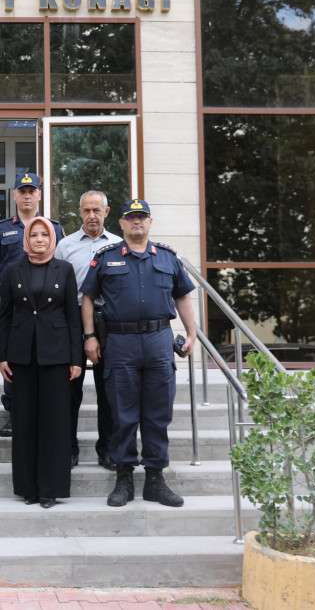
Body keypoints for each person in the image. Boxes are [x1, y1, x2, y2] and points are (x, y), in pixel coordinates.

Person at [80, 199, 197, 508]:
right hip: (120, 342)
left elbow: (183, 296)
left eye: (142, 217)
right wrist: (90, 336)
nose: (137, 222)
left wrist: (192, 333)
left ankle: (155, 480)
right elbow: (88, 297)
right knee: (123, 414)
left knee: (158, 413)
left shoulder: (168, 258)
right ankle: (124, 478)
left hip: (159, 340)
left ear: (150, 222)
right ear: (121, 223)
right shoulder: (106, 258)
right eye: (131, 217)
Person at [0, 217, 83, 509]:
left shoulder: (65, 269)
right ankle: (27, 488)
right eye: (33, 235)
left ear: (52, 239)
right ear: (26, 239)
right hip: (21, 356)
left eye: (44, 235)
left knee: (54, 424)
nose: (39, 240)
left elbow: (73, 316)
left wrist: (76, 358)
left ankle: (51, 489)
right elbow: (5, 316)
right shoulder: (12, 270)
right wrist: (3, 355)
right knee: (24, 422)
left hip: (56, 356)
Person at [0, 173, 64, 438]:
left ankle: (43, 411)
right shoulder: (0, 230)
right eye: (22, 191)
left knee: (44, 357)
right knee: (12, 359)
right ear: (14, 195)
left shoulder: (54, 228)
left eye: (32, 191)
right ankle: (14, 412)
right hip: (12, 307)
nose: (27, 195)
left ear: (39, 194)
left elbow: (62, 267)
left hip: (47, 307)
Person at [54, 191, 122, 469]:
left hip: (109, 322)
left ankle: (107, 448)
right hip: (71, 320)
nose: (92, 215)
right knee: (70, 390)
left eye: (97, 210)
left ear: (107, 212)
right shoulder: (65, 246)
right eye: (87, 210)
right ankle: (68, 448)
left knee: (108, 391)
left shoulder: (119, 244)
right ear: (79, 212)